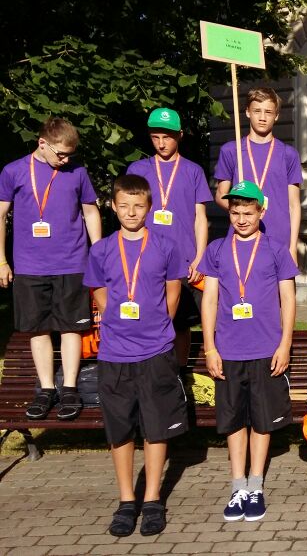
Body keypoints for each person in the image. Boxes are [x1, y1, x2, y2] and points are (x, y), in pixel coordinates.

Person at [85, 175, 189, 537]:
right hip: (115, 353)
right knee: (120, 429)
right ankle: (127, 500)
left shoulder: (165, 245)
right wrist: (116, 318)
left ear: (149, 207)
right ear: (113, 207)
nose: (131, 212)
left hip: (156, 350)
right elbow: (99, 290)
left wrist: (159, 325)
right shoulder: (101, 250)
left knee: (156, 427)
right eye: (124, 206)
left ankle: (153, 499)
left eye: (138, 206)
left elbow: (173, 291)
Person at [199, 181, 299, 523]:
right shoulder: (217, 250)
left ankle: (256, 485)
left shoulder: (276, 250)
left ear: (261, 212)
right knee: (233, 421)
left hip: (266, 349)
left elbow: (288, 299)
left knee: (261, 419)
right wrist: (209, 347)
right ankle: (238, 486)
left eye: (248, 213)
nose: (241, 219)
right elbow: (209, 300)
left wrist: (285, 344)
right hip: (228, 350)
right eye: (235, 213)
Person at [0, 117, 102, 420]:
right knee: (37, 328)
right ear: (42, 143)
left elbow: (90, 212)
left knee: (72, 326)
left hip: (72, 263)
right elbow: (0, 215)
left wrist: (98, 255)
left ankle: (69, 388)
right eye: (61, 154)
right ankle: (46, 389)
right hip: (30, 266)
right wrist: (1, 260)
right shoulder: (13, 171)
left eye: (70, 154)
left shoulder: (77, 172)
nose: (66, 160)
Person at [126, 108, 212, 368]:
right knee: (145, 319)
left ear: (180, 135)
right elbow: (127, 213)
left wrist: (199, 257)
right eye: (155, 137)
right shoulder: (138, 169)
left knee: (180, 324)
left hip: (183, 262)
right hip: (146, 259)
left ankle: (179, 373)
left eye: (167, 137)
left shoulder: (193, 171)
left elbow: (200, 218)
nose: (161, 143)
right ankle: (148, 370)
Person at [214, 87, 302, 263]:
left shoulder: (288, 154)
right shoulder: (232, 150)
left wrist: (293, 247)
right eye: (257, 111)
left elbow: (294, 205)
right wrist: (244, 210)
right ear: (247, 112)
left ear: (276, 115)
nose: (262, 117)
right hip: (242, 235)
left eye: (268, 112)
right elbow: (220, 195)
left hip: (279, 238)